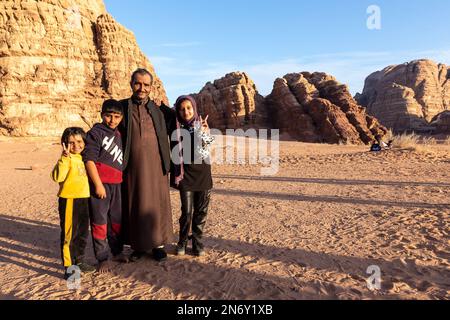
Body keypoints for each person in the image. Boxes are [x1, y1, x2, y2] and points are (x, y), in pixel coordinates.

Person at [119, 69, 175, 262]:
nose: (142, 88)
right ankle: (138, 246)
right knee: (136, 203)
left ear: (151, 87)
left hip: (157, 165)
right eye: (138, 83)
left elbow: (180, 126)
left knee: (157, 204)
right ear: (131, 83)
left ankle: (158, 245)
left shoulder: (160, 110)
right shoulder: (122, 108)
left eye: (146, 85)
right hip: (132, 167)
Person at [83, 100, 128, 274]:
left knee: (116, 221)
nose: (112, 120)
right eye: (108, 116)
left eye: (117, 117)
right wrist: (98, 184)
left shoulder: (119, 134)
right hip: (100, 187)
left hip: (117, 185)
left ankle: (116, 251)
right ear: (102, 114)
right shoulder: (95, 133)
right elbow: (89, 160)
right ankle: (102, 258)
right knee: (100, 222)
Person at [171, 95, 215, 257]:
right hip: (186, 177)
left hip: (203, 175)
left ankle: (197, 242)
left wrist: (204, 133)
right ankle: (182, 241)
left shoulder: (202, 126)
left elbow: (205, 152)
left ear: (194, 108)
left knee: (201, 212)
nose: (186, 111)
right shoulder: (175, 127)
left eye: (189, 108)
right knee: (187, 213)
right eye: (182, 109)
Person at [51, 127, 96, 279]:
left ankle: (79, 261)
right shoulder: (66, 159)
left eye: (79, 141)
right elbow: (57, 177)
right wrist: (64, 158)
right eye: (71, 142)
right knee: (70, 235)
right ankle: (70, 268)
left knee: (82, 233)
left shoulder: (84, 158)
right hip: (70, 200)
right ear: (64, 144)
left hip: (84, 200)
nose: (76, 145)